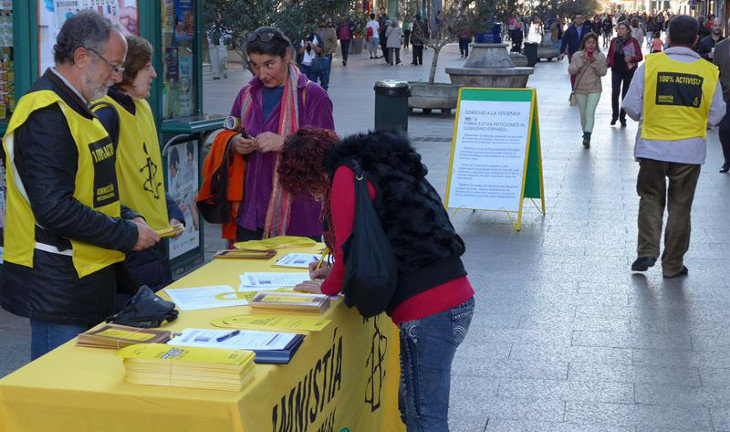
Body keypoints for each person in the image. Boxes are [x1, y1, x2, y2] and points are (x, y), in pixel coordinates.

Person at [279, 127, 474, 432]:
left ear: (309, 173)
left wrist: (328, 286)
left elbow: (347, 251)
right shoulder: (376, 163)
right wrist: (335, 273)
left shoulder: (345, 175)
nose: (315, 196)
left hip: (428, 308)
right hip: (451, 295)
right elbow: (390, 234)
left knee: (425, 419)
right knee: (413, 410)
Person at [0, 11, 160, 360]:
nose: (117, 76)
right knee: (58, 401)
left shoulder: (78, 107)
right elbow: (55, 208)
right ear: (82, 57)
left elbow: (93, 191)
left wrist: (129, 216)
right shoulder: (45, 113)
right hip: (58, 286)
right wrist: (127, 234)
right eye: (113, 66)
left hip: (86, 278)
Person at [622, 15, 725, 278]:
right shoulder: (708, 71)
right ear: (695, 39)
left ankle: (646, 250)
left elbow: (631, 108)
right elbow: (716, 114)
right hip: (689, 151)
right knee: (681, 206)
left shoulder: (651, 65)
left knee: (650, 198)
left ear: (667, 38)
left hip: (652, 148)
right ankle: (672, 265)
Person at [94, 35, 185, 293]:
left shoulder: (143, 106)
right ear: (124, 73)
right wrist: (130, 222)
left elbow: (150, 175)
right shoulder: (106, 114)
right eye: (147, 67)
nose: (155, 74)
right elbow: (96, 187)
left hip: (155, 240)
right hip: (129, 243)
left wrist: (172, 212)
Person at [227, 27, 335, 242]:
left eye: (269, 64)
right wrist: (234, 142)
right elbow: (230, 131)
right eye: (255, 65)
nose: (262, 74)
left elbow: (329, 152)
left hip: (299, 217)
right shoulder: (247, 94)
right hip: (250, 213)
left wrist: (285, 142)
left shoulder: (313, 96)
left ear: (287, 55)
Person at [568, 32, 607, 148]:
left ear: (596, 44)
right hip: (580, 89)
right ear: (584, 43)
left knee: (590, 112)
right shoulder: (577, 55)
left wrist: (594, 62)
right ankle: (585, 132)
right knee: (583, 113)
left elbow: (603, 72)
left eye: (593, 42)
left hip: (594, 89)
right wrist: (581, 62)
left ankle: (587, 136)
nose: (591, 45)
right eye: (588, 42)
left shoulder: (600, 56)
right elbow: (571, 71)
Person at [608, 21, 643, 127]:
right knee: (615, 92)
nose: (620, 30)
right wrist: (607, 63)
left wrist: (631, 58)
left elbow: (640, 56)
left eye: (623, 29)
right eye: (619, 28)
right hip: (616, 70)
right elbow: (610, 54)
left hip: (628, 70)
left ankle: (622, 117)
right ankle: (615, 115)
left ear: (627, 30)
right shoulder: (614, 41)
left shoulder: (633, 41)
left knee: (625, 94)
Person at [713, 17, 730, 173]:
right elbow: (715, 72)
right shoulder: (720, 47)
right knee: (724, 130)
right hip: (726, 95)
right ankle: (727, 159)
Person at [561, 13, 594, 88]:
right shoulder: (570, 29)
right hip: (573, 53)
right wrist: (562, 52)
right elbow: (564, 41)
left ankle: (583, 88)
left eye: (580, 18)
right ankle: (574, 88)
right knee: (574, 71)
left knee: (585, 71)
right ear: (574, 20)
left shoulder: (587, 29)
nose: (579, 20)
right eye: (577, 18)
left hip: (585, 52)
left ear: (583, 19)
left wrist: (593, 51)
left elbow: (592, 40)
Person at [206, 13, 228, 80]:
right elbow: (208, 34)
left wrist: (225, 40)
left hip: (221, 44)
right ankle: (216, 74)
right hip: (213, 45)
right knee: (214, 60)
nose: (217, 18)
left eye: (219, 17)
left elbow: (228, 33)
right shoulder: (210, 25)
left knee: (222, 59)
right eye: (216, 17)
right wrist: (210, 42)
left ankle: (224, 71)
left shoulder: (224, 25)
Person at [318, 19, 338, 91]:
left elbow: (334, 42)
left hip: (327, 54)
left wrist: (330, 51)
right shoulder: (316, 30)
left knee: (326, 71)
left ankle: (324, 87)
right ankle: (322, 82)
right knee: (319, 71)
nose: (322, 23)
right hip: (317, 54)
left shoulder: (331, 30)